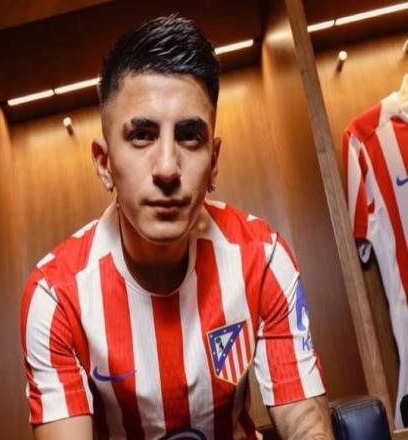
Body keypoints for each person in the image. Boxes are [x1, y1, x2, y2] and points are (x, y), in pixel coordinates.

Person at [21, 15, 334, 440]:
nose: (167, 168)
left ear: (214, 163)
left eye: (189, 135)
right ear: (104, 163)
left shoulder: (262, 259)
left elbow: (308, 427)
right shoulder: (56, 297)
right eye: (142, 135)